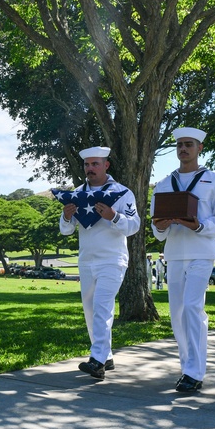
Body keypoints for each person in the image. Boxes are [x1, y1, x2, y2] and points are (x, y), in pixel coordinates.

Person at [151, 127, 215, 392]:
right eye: (180, 145)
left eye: (189, 144)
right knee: (177, 313)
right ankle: (187, 367)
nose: (183, 149)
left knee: (192, 307)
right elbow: (156, 229)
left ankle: (195, 372)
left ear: (200, 149)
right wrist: (161, 225)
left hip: (202, 251)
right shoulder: (163, 184)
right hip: (174, 254)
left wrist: (200, 226)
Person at [58, 146, 141, 379]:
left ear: (106, 165)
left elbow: (134, 226)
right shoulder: (77, 194)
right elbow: (66, 230)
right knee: (90, 309)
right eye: (87, 165)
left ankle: (96, 361)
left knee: (103, 307)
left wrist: (113, 216)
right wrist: (66, 216)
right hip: (86, 260)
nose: (90, 169)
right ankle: (107, 356)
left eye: (95, 164)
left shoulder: (122, 192)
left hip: (112, 260)